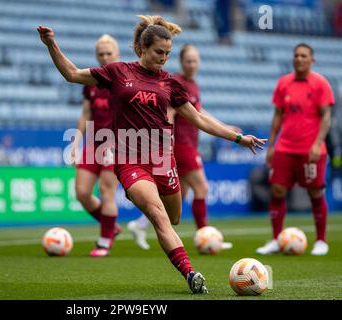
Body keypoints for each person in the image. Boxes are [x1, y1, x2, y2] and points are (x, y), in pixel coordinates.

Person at [37, 15, 266, 294]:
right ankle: (190, 274)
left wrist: (237, 137)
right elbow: (72, 74)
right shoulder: (117, 72)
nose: (164, 58)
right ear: (142, 48)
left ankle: (145, 217)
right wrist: (51, 44)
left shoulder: (170, 84)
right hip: (129, 160)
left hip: (162, 160)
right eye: (159, 52)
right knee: (157, 214)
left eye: (168, 53)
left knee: (173, 218)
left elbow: (199, 119)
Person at [128, 44, 236, 251]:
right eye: (189, 61)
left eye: (195, 61)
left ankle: (139, 224)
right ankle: (205, 235)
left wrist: (224, 127)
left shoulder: (193, 84)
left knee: (180, 194)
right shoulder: (175, 82)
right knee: (202, 188)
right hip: (180, 145)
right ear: (181, 61)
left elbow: (198, 111)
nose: (192, 64)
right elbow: (169, 113)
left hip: (188, 143)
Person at [256, 43, 334, 256]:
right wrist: (271, 146)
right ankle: (275, 239)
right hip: (285, 148)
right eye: (296, 55)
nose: (299, 59)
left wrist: (318, 143)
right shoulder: (284, 83)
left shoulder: (320, 84)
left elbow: (326, 116)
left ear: (312, 60)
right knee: (277, 190)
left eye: (304, 56)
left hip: (310, 150)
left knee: (315, 192)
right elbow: (278, 116)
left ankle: (321, 241)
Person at [71, 35, 121, 257]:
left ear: (117, 54)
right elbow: (86, 113)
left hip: (118, 144)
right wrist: (75, 141)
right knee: (81, 192)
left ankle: (104, 242)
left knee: (106, 191)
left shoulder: (122, 80)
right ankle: (111, 227)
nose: (104, 57)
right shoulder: (91, 81)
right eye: (101, 54)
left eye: (109, 53)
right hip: (93, 143)